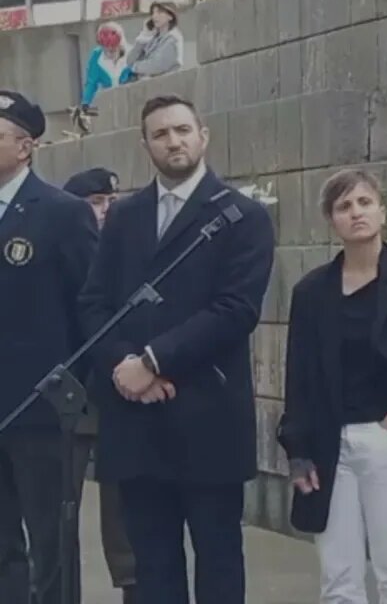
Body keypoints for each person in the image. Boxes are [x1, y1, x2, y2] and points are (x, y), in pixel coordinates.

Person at [78, 94, 274, 604]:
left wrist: (154, 361)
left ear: (203, 136)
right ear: (146, 145)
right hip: (136, 421)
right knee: (151, 566)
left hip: (208, 415)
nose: (174, 141)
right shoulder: (123, 217)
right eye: (161, 133)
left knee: (218, 560)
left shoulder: (241, 216)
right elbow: (95, 303)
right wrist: (124, 367)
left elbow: (236, 309)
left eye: (183, 130)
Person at [277, 168, 387, 604]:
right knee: (338, 578)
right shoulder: (311, 292)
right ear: (331, 220)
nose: (355, 213)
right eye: (344, 206)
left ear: (382, 210)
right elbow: (298, 376)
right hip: (328, 445)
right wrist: (298, 451)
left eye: (364, 202)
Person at [0, 91, 99, 604]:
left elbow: (89, 308)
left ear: (26, 146)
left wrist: (76, 392)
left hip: (41, 409)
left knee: (50, 541)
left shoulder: (61, 213)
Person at [64, 167, 137, 603]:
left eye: (111, 200)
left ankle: (133, 588)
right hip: (72, 396)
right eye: (95, 202)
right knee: (56, 510)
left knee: (127, 513)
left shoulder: (130, 250)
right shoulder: (63, 245)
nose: (107, 210)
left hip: (120, 391)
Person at [124, 3, 183, 81]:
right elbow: (130, 61)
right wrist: (143, 37)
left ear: (170, 16)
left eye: (159, 12)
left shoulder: (173, 39)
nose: (154, 16)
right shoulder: (152, 39)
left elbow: (157, 65)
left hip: (166, 86)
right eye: (153, 13)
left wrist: (135, 67)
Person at [81, 22, 131, 111]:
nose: (110, 50)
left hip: (130, 98)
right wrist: (86, 103)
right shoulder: (97, 57)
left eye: (114, 47)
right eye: (106, 47)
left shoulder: (131, 53)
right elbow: (91, 83)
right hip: (110, 102)